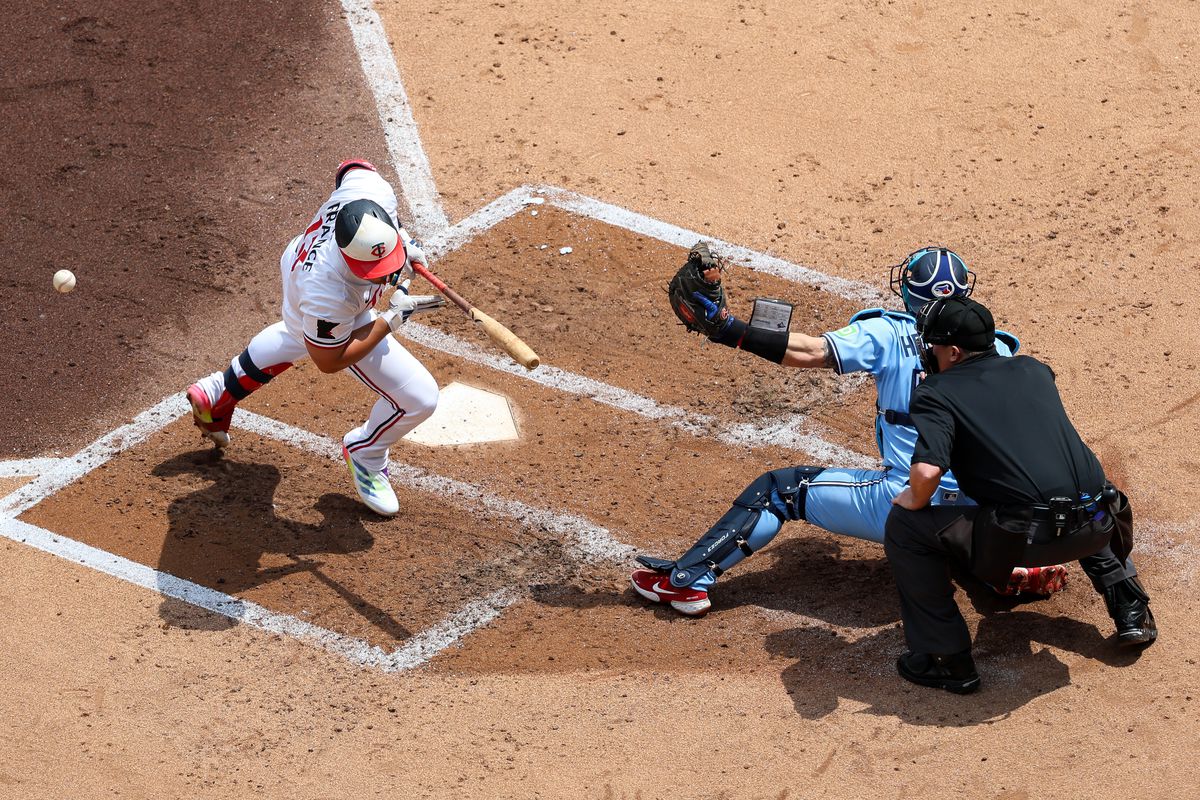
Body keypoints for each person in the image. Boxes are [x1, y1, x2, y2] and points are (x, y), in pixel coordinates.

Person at [630, 245, 1066, 616]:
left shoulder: (889, 333)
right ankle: (1000, 563)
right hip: (986, 506)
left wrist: (730, 330)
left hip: (909, 499)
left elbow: (808, 352)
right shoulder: (997, 347)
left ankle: (686, 581)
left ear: (910, 293)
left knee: (779, 491)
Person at [885, 295, 1155, 694]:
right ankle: (1132, 609)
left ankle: (945, 659)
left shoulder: (935, 392)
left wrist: (914, 498)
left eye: (935, 345)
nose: (930, 351)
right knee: (1071, 494)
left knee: (905, 526)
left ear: (954, 352)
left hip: (1025, 540)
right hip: (1102, 524)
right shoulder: (1034, 370)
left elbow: (927, 472)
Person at [185, 159, 446, 517]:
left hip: (300, 264)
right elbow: (329, 361)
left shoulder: (371, 190)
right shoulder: (329, 295)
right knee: (419, 398)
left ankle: (219, 392)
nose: (382, 277)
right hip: (310, 285)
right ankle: (366, 452)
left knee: (298, 332)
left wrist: (401, 238)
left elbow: (353, 167)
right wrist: (390, 320)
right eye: (373, 271)